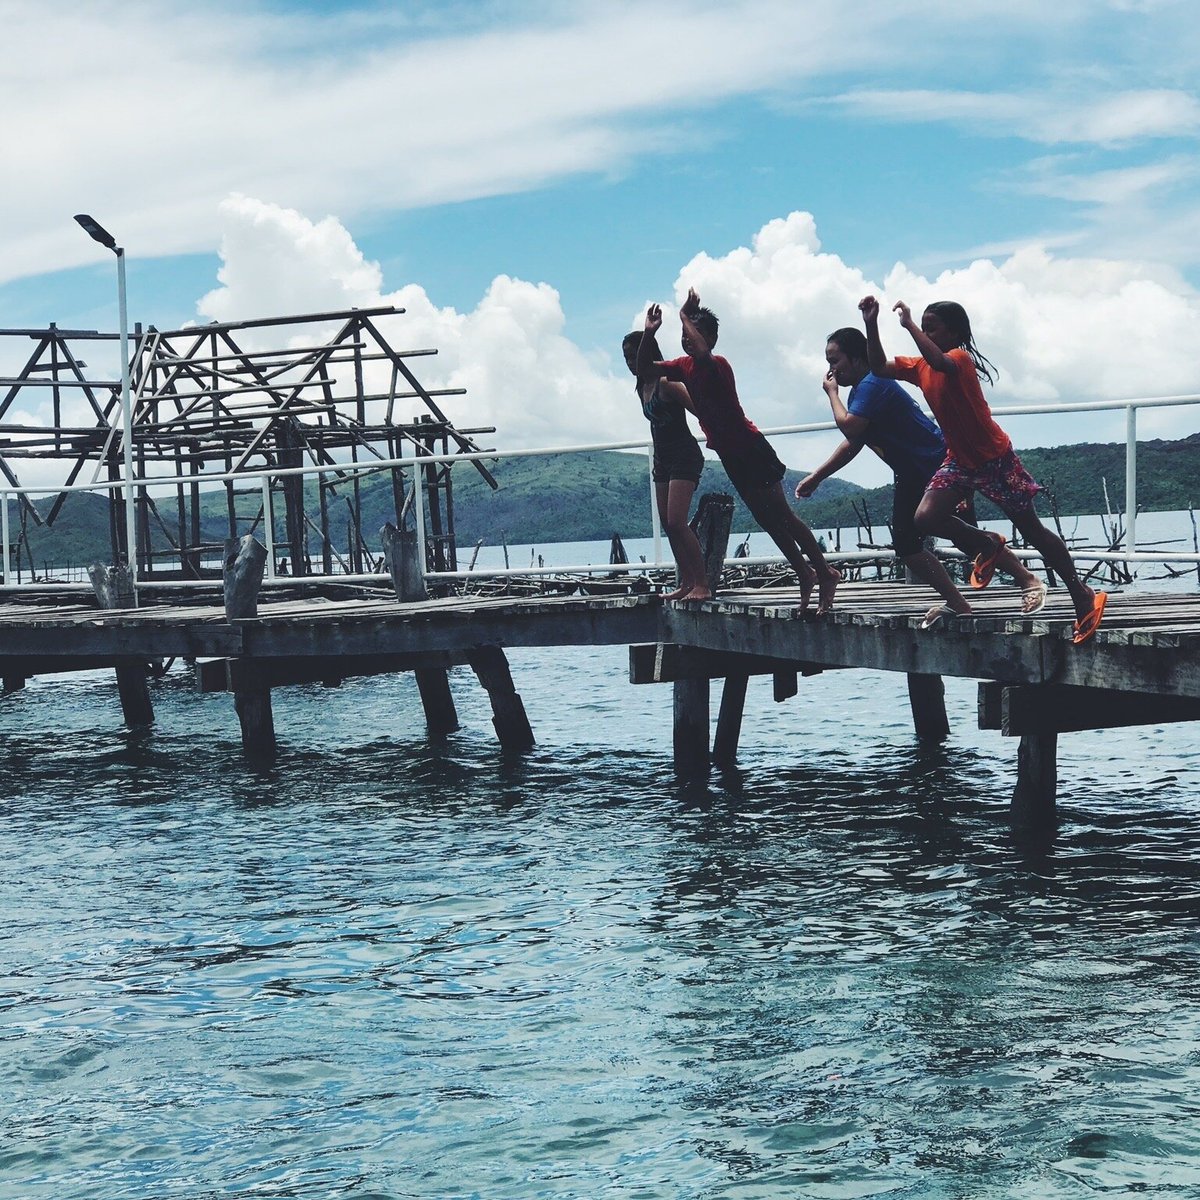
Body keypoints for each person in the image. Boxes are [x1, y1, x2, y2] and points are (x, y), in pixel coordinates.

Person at [860, 295, 1106, 644]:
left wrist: (910, 324)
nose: (926, 333)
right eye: (924, 327)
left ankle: (1081, 594)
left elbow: (938, 359)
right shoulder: (920, 367)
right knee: (925, 518)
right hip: (959, 460)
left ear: (955, 332)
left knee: (1032, 530)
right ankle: (987, 544)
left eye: (933, 328)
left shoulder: (958, 359)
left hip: (995, 459)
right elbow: (878, 367)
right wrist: (872, 323)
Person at [640, 289, 839, 612]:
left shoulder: (717, 364)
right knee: (767, 521)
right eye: (683, 335)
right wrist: (650, 333)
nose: (687, 340)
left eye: (693, 333)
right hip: (731, 456)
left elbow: (702, 352)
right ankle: (805, 573)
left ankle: (825, 572)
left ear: (711, 337)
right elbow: (647, 368)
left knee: (783, 517)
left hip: (751, 449)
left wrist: (682, 316)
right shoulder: (683, 367)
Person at [795, 326, 974, 627]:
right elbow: (855, 442)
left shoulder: (872, 385)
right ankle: (960, 602)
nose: (831, 369)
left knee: (958, 541)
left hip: (932, 465)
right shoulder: (864, 389)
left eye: (835, 360)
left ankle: (1013, 577)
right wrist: (818, 477)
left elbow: (850, 429)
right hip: (912, 471)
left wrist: (831, 394)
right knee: (910, 545)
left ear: (857, 359)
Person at [623, 309, 710, 601]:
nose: (631, 364)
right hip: (662, 458)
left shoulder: (666, 383)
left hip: (684, 454)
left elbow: (699, 409)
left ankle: (702, 583)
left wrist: (716, 435)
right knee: (667, 524)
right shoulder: (642, 388)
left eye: (634, 357)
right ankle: (686, 582)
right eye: (626, 359)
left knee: (677, 521)